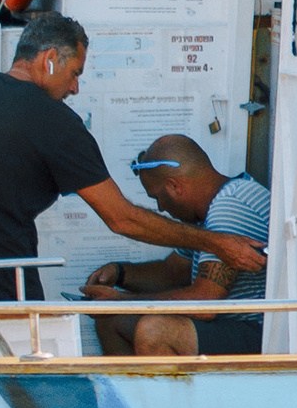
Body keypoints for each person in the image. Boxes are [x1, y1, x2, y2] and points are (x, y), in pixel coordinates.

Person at [0, 11, 268, 307]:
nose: (75, 88)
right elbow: (121, 217)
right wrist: (216, 242)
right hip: (1, 300)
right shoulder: (58, 124)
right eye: (75, 73)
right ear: (49, 59)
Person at [85, 134, 271, 359]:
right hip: (228, 328)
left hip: (256, 331)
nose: (161, 208)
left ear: (174, 186)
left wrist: (122, 302)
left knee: (155, 331)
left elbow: (205, 301)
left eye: (157, 197)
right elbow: (172, 272)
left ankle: (160, 395)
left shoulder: (229, 206)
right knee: (111, 320)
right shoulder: (208, 212)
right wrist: (120, 273)